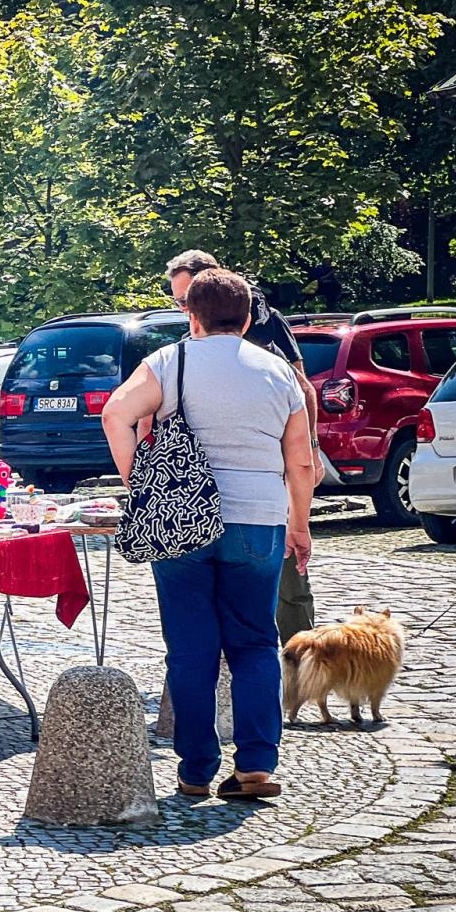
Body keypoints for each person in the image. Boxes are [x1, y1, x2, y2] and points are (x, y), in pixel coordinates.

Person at [103, 267, 317, 800]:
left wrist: (141, 482)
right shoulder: (277, 372)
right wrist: (300, 523)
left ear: (191, 315)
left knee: (191, 649)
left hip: (180, 520)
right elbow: (301, 462)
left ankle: (195, 770)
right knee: (254, 644)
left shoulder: (168, 361)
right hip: (259, 520)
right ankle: (257, 768)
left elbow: (114, 414)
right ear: (247, 318)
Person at [164, 250, 318, 643]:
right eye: (178, 302)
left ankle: (297, 658)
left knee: (288, 580)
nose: (183, 310)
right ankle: (229, 669)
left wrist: (309, 450)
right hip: (204, 486)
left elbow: (304, 389)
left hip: (270, 471)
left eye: (186, 300)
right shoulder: (188, 343)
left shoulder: (264, 323)